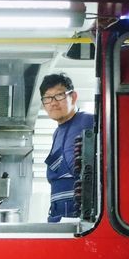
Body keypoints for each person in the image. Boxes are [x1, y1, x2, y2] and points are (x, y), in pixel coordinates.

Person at [39, 73, 93, 223]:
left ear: (73, 96)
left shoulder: (89, 121)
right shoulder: (57, 133)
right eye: (47, 98)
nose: (53, 103)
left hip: (79, 218)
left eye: (59, 96)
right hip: (59, 216)